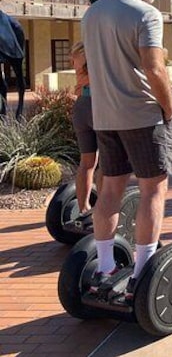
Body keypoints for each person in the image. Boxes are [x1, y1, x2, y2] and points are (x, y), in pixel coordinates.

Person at [82, 0, 172, 301]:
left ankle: (104, 267)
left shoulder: (91, 14)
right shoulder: (145, 14)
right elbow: (154, 69)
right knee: (153, 190)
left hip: (104, 117)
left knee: (109, 191)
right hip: (141, 115)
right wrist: (169, 110)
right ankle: (142, 273)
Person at [68, 42, 99, 223]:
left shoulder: (77, 56)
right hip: (98, 104)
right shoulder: (94, 53)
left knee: (87, 162)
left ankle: (83, 208)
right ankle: (105, 209)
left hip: (81, 104)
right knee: (107, 164)